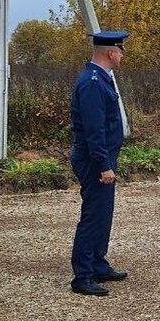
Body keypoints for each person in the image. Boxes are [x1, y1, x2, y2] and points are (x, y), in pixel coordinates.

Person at [69, 31, 131, 296]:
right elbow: (95, 130)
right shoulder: (93, 82)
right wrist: (104, 165)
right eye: (120, 50)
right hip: (94, 160)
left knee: (103, 214)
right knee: (93, 216)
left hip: (102, 157)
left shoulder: (100, 79)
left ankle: (98, 264)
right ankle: (82, 276)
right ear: (110, 52)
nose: (122, 55)